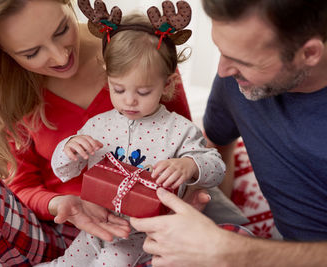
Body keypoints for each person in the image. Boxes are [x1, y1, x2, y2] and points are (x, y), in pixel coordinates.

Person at [0, 0, 195, 266]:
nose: (60, 57)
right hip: (48, 236)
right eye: (32, 53)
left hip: (134, 237)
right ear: (1, 50)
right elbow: (22, 185)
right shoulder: (11, 92)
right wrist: (58, 204)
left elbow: (187, 149)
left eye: (61, 30)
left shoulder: (143, 53)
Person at [130, 0, 327, 266]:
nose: (222, 71)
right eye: (221, 51)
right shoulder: (235, 80)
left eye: (242, 61)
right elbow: (218, 147)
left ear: (310, 53)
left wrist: (233, 251)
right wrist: (207, 211)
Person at [43, 7, 225, 265]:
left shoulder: (179, 129)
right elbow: (65, 170)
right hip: (97, 222)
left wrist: (190, 165)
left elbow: (217, 168)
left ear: (168, 84)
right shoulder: (98, 125)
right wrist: (69, 148)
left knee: (111, 262)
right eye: (118, 89)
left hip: (145, 233)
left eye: (143, 92)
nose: (129, 100)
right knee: (68, 261)